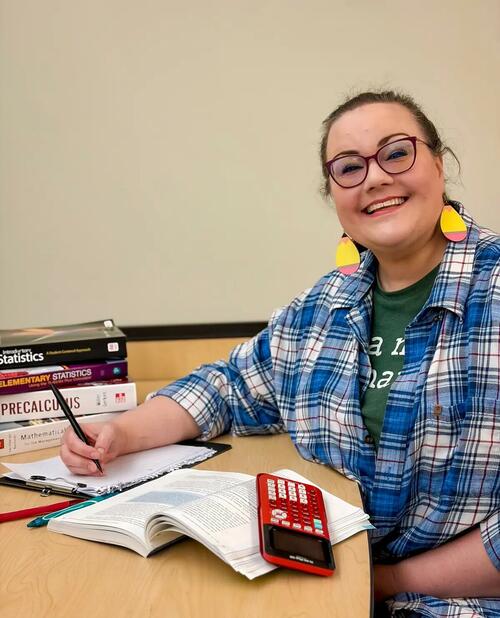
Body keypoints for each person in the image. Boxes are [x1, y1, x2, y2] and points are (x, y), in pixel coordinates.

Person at [61, 90, 500, 617]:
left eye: (396, 153)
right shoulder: (322, 308)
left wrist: (381, 581)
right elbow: (228, 386)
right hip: (331, 591)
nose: (375, 178)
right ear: (333, 194)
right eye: (349, 167)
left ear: (439, 163)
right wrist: (120, 434)